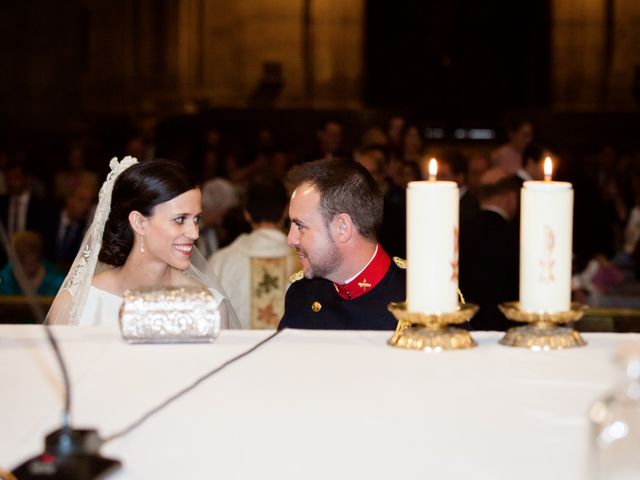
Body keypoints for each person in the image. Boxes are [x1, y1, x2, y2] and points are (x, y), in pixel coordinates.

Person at [47, 157, 239, 327]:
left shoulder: (210, 307)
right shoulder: (78, 303)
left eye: (196, 219)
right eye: (180, 219)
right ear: (139, 222)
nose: (194, 233)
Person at [278, 158, 406, 330]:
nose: (290, 239)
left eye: (300, 226)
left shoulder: (420, 300)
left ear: (342, 228)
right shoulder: (302, 295)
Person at [209, 177, 297, 329]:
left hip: (235, 352)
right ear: (286, 211)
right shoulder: (303, 261)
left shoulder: (220, 261)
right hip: (289, 351)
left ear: (246, 213)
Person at [0, 231, 64, 296]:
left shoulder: (56, 277)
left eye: (35, 263)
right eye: (25, 265)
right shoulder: (5, 276)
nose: (32, 269)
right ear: (16, 263)